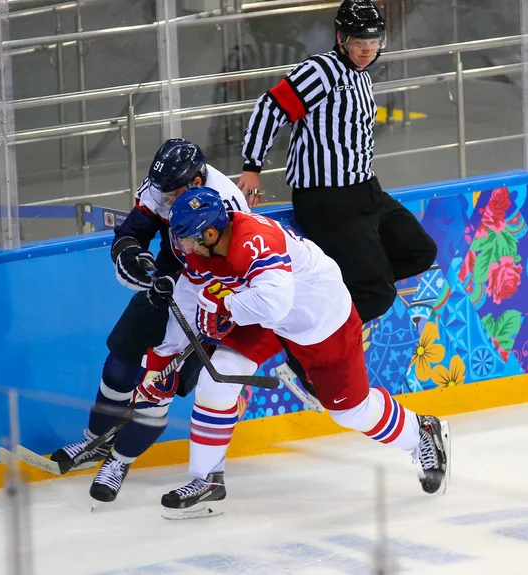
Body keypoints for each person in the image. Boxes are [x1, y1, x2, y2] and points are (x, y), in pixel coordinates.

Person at [139, 186, 449, 519]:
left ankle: (421, 431)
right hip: (260, 312)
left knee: (350, 411)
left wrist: (224, 306)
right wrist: (163, 358)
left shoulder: (254, 240)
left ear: (210, 232)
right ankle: (206, 480)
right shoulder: (202, 251)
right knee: (216, 379)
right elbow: (190, 296)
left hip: (317, 317)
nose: (183, 247)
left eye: (187, 238)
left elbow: (276, 303)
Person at [49, 139, 250, 505]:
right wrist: (130, 253)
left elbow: (236, 273)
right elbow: (132, 232)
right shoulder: (162, 188)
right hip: (169, 281)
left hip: (210, 294)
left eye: (174, 191)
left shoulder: (230, 204)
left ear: (196, 182)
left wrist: (216, 316)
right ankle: (97, 438)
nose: (165, 197)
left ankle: (119, 460)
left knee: (158, 385)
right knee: (120, 364)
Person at [237, 0, 437, 326]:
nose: (368, 50)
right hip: (327, 201)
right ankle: (316, 340)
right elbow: (270, 108)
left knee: (420, 252)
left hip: (366, 191)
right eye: (360, 42)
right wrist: (252, 167)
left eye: (374, 42)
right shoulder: (321, 71)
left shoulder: (362, 77)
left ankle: (334, 292)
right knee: (377, 293)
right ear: (342, 38)